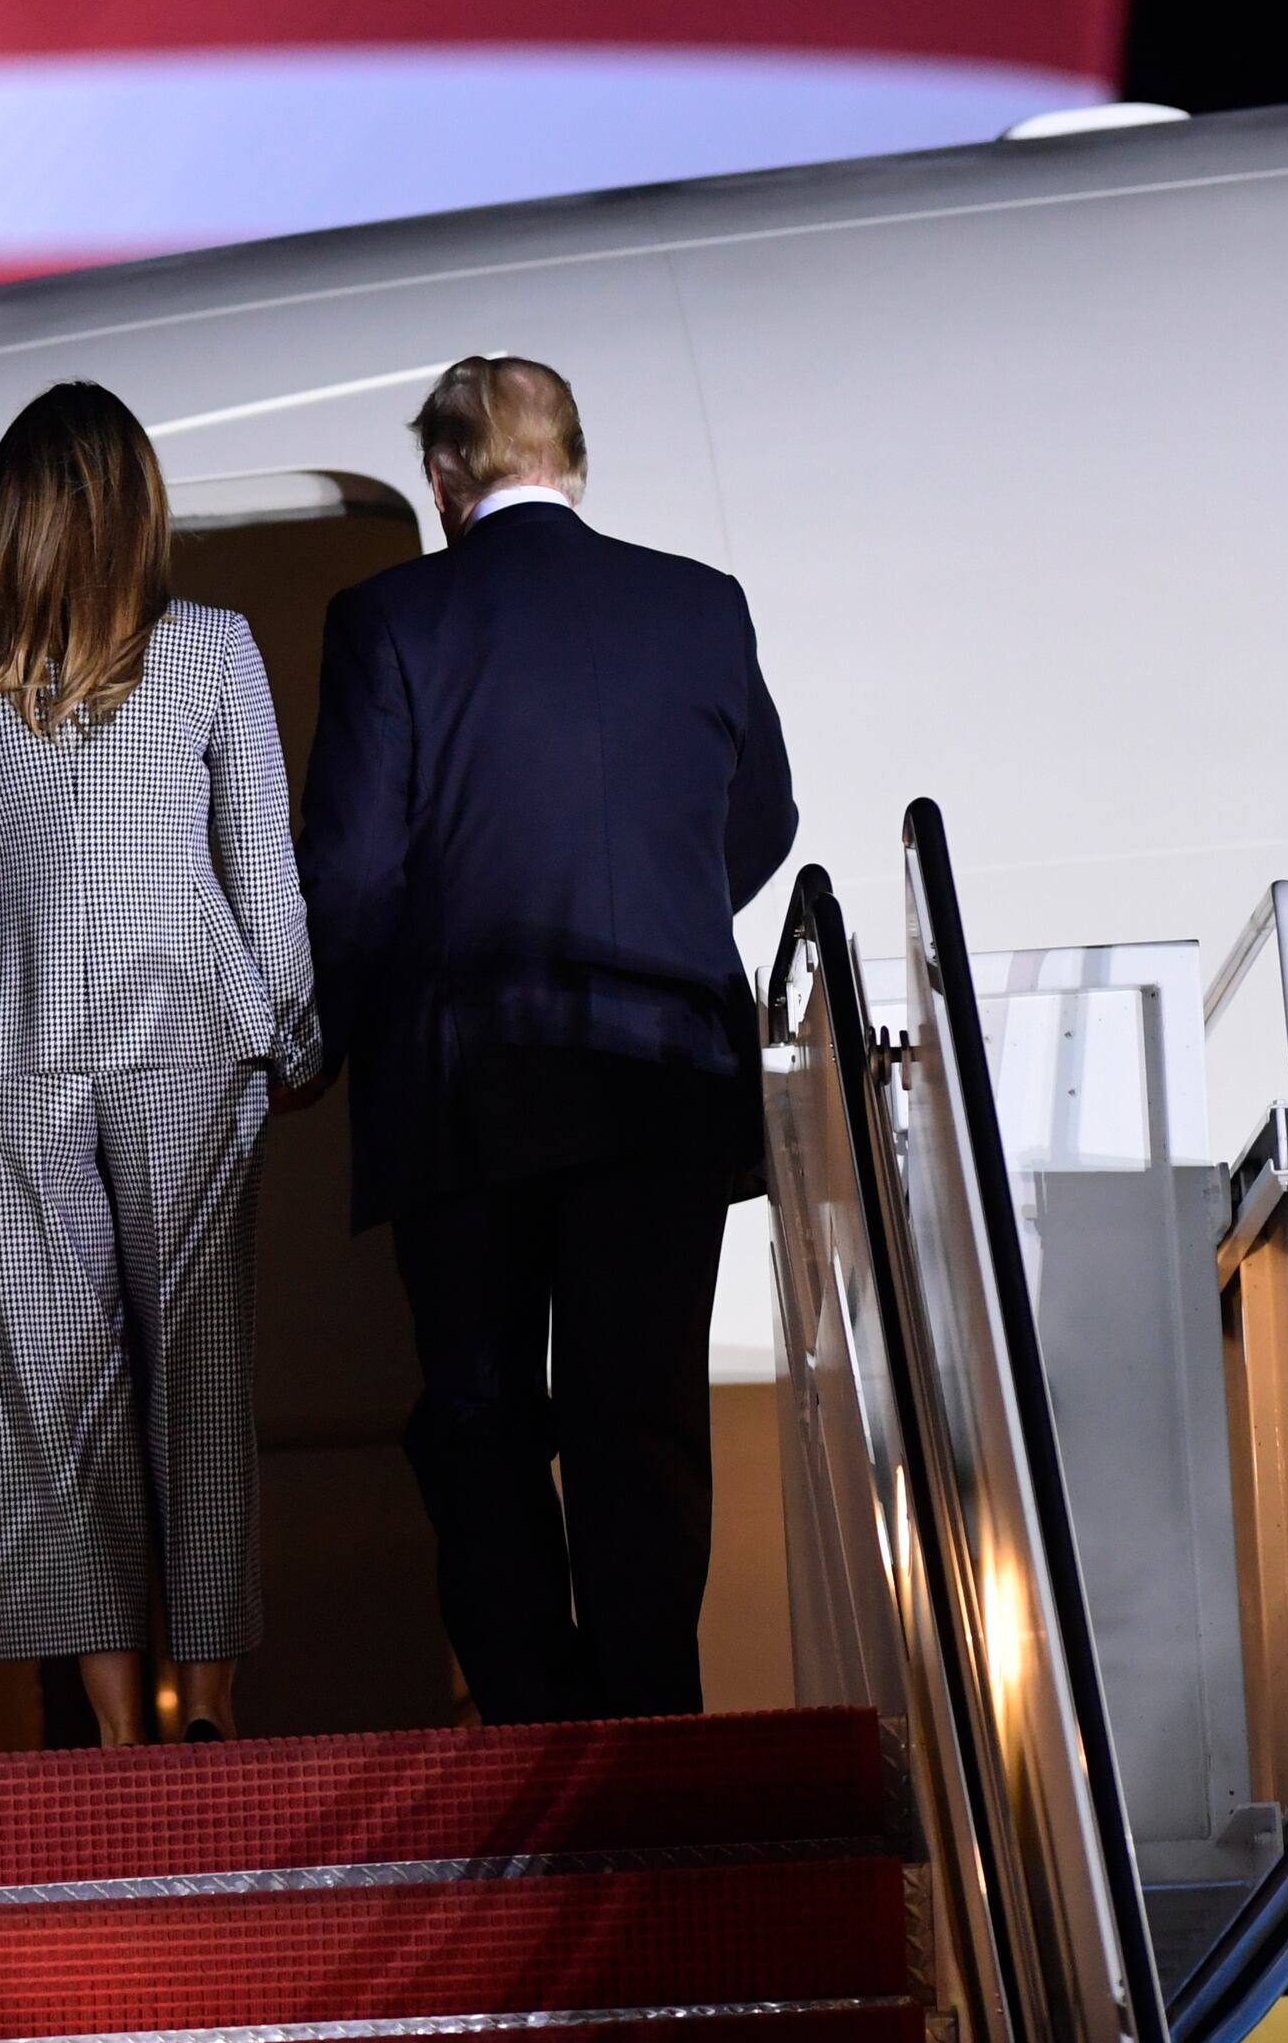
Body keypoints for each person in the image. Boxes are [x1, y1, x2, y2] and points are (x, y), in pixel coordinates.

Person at [298, 354, 796, 1724]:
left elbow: (348, 874)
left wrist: (320, 1040)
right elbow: (762, 826)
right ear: (572, 461)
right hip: (661, 1080)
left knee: (482, 1412)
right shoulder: (701, 610)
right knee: (639, 1413)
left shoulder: (388, 621)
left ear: (444, 481)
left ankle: (535, 1717)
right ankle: (652, 1715)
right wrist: (661, 927)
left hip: (467, 1090)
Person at [0, 382, 320, 1745]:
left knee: (45, 1392)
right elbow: (265, 873)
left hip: (6, 1050)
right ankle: (212, 1709)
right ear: (140, 506)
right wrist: (292, 1038)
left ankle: (118, 1729)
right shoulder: (215, 651)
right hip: (187, 1042)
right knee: (200, 1371)